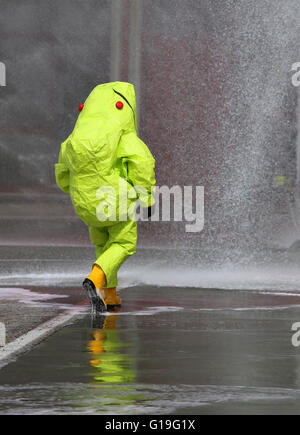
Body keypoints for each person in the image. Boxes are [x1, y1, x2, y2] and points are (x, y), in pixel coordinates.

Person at [55, 82, 156, 312]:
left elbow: (62, 172)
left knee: (103, 244)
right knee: (123, 243)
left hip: (85, 205)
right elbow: (142, 164)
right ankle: (96, 277)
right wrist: (147, 198)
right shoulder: (122, 133)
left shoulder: (75, 136)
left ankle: (109, 296)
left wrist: (76, 191)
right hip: (114, 201)